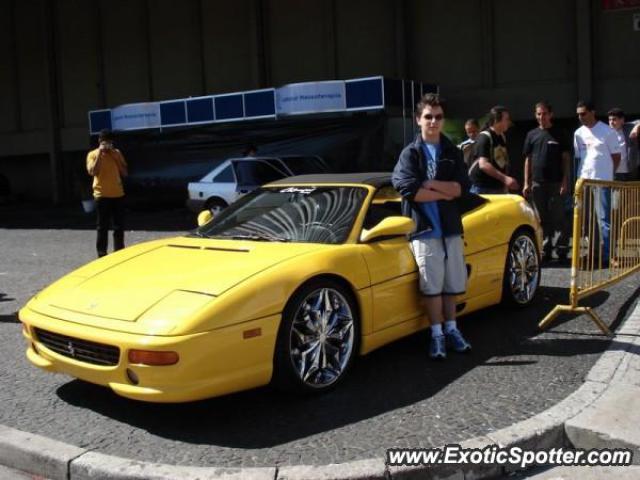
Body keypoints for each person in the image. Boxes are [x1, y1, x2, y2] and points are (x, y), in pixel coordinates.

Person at [392, 93, 472, 360]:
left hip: (450, 228)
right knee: (432, 286)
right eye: (428, 117)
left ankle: (452, 329)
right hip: (424, 230)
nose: (434, 122)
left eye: (438, 117)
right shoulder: (410, 154)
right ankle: (436, 335)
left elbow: (462, 188)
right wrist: (444, 191)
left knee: (451, 285)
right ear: (418, 120)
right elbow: (408, 190)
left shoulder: (452, 151)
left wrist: (430, 185)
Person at [522, 101, 571, 262]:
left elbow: (565, 159)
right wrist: (526, 182)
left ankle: (562, 249)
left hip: (556, 182)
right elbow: (528, 159)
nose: (541, 117)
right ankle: (545, 248)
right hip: (537, 183)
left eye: (544, 113)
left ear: (551, 114)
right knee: (541, 217)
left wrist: (565, 181)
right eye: (538, 114)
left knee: (558, 216)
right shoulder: (532, 135)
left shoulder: (560, 133)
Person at [574, 101, 621, 264]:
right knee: (587, 220)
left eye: (583, 113)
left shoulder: (607, 132)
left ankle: (610, 255)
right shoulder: (578, 133)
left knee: (603, 220)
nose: (580, 117)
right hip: (584, 182)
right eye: (578, 114)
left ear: (592, 112)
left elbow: (617, 157)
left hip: (602, 181)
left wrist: (608, 174)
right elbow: (579, 158)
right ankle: (593, 253)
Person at [86, 129, 128, 258]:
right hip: (102, 195)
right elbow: (93, 172)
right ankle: (102, 253)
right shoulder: (92, 154)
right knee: (102, 226)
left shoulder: (116, 153)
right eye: (105, 142)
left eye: (109, 142)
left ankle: (119, 251)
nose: (107, 145)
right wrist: (100, 152)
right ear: (100, 141)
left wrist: (116, 157)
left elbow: (125, 173)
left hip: (118, 194)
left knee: (119, 226)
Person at [469, 106, 519, 194]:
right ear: (496, 121)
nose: (509, 122)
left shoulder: (502, 137)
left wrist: (505, 183)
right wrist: (505, 179)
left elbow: (502, 162)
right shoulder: (484, 137)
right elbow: (483, 164)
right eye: (506, 119)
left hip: (497, 187)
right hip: (482, 187)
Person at [607, 108, 640, 181]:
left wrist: (636, 127)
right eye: (610, 120)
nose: (611, 122)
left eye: (614, 119)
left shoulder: (629, 127)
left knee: (632, 192)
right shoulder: (605, 132)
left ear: (622, 120)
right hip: (614, 172)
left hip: (631, 171)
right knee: (616, 192)